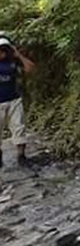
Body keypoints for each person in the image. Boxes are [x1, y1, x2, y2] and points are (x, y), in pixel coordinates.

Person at [0, 34, 35, 168]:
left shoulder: (13, 61)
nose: (2, 52)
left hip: (14, 99)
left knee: (19, 127)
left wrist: (18, 55)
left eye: (5, 49)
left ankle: (21, 156)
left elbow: (30, 68)